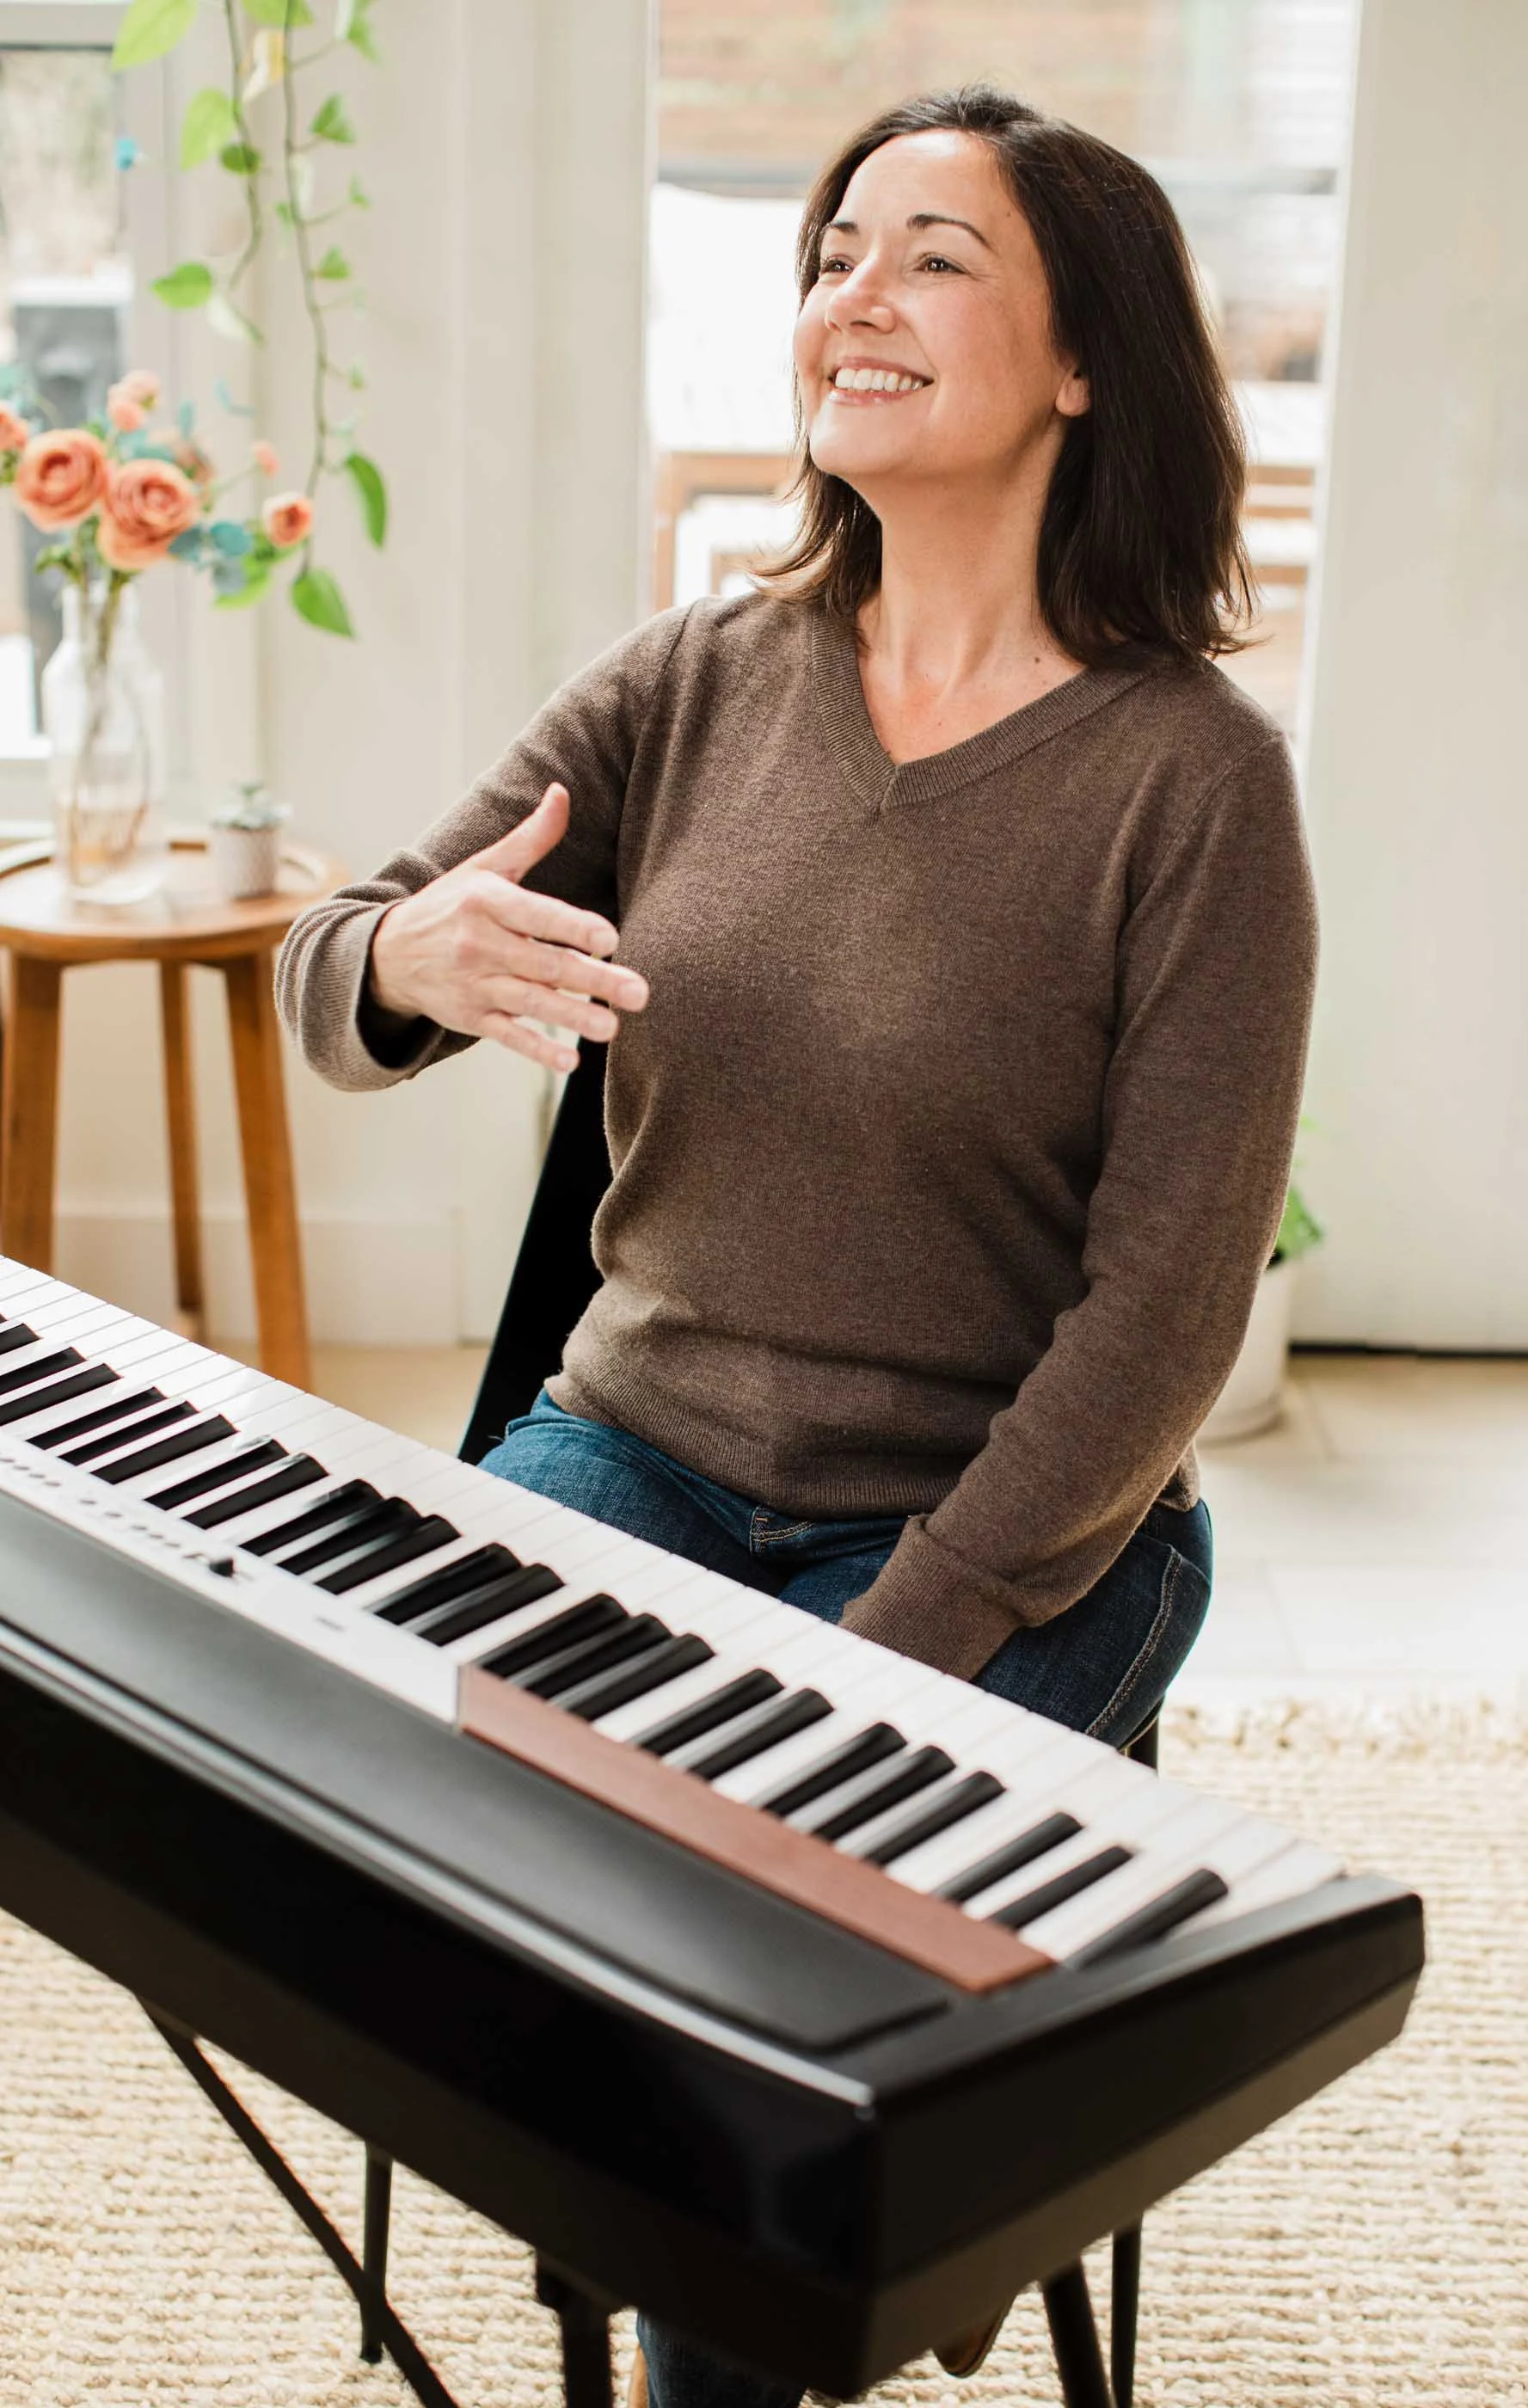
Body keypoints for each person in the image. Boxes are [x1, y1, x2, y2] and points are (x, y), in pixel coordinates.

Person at [279, 83, 1317, 2408]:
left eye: (932, 253)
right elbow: (332, 968)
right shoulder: (691, 682)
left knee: (730, 1969)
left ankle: (800, 2247)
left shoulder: (1190, 783)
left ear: (1084, 363)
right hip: (634, 1456)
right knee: (385, 1841)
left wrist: (875, 1678)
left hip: (1013, 1536)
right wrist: (401, 967)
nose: (852, 292)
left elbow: (1161, 1320)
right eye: (836, 248)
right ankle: (837, 2219)